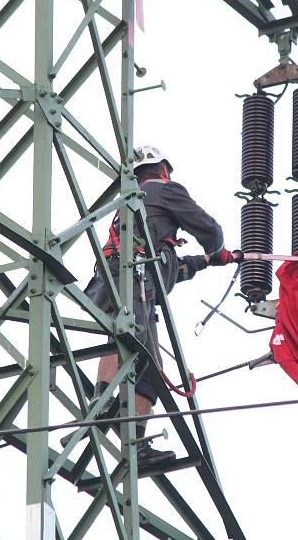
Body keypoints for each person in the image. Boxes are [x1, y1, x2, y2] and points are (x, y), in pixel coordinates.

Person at [68, 145, 235, 466]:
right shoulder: (164, 189)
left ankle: (102, 400)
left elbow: (169, 267)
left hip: (113, 278)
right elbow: (209, 230)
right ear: (161, 170)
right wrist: (217, 248)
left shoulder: (131, 204)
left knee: (120, 333)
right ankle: (136, 445)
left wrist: (206, 262)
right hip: (137, 278)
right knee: (147, 362)